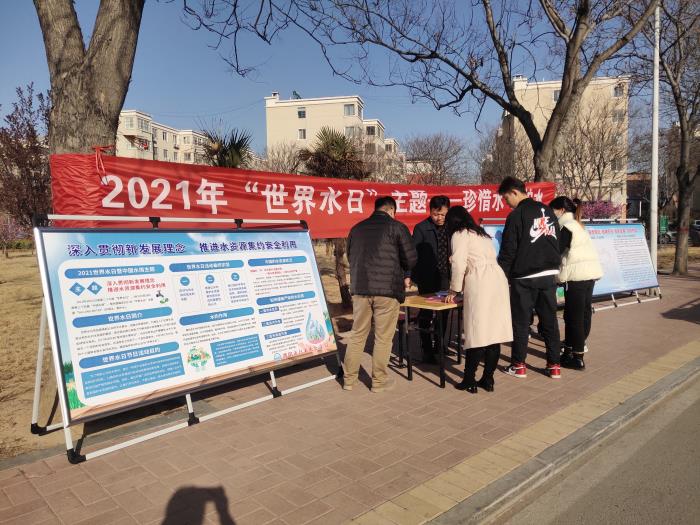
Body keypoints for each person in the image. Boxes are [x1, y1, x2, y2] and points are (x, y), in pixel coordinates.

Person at [343, 196, 417, 392]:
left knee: (357, 334)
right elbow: (411, 259)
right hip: (387, 290)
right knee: (383, 338)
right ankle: (378, 382)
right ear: (391, 210)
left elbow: (350, 256)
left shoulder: (356, 229)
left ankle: (349, 380)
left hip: (360, 288)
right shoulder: (397, 227)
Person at [497, 177, 562, 379]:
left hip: (525, 276)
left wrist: (500, 275)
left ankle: (519, 365)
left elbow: (508, 250)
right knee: (549, 320)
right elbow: (557, 240)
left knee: (521, 322)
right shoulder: (548, 211)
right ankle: (554, 365)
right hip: (549, 274)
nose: (506, 203)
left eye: (506, 198)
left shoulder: (517, 215)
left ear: (514, 192)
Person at [444, 206, 512, 393]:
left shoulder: (459, 234)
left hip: (480, 280)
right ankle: (488, 379)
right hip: (497, 278)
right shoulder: (481, 233)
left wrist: (454, 290)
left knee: (477, 332)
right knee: (494, 333)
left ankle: (469, 379)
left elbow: (459, 263)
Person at [549, 196, 603, 370]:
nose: (552, 215)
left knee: (574, 317)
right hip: (589, 275)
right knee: (584, 313)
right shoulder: (579, 225)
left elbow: (556, 251)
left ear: (561, 210)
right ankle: (571, 350)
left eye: (553, 211)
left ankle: (577, 357)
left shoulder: (567, 227)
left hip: (576, 277)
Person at [410, 195, 451, 364]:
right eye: (435, 214)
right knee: (426, 312)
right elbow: (412, 253)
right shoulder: (421, 228)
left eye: (442, 214)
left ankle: (439, 344)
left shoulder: (451, 227)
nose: (439, 218)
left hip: (445, 276)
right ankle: (426, 349)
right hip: (427, 277)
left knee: (445, 311)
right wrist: (410, 275)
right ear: (430, 211)